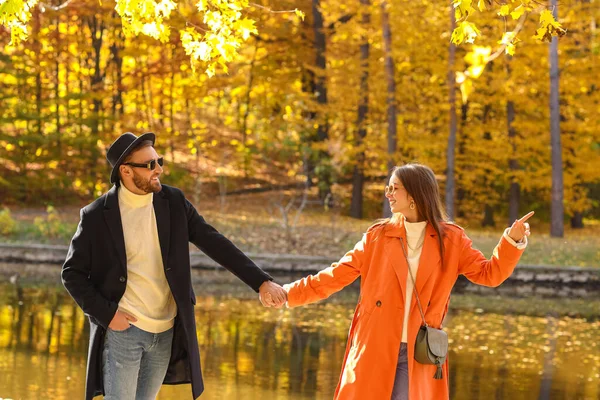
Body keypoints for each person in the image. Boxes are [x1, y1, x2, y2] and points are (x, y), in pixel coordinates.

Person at [277, 163, 533, 400]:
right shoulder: (378, 236)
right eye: (388, 187)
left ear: (414, 194)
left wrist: (511, 241)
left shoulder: (451, 240)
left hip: (419, 351)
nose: (388, 193)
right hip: (374, 345)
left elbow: (490, 274)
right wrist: (288, 294)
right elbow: (334, 276)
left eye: (394, 188)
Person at [61, 132, 287, 400]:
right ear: (125, 171)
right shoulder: (97, 215)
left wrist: (261, 281)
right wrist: (107, 315)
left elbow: (214, 242)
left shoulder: (174, 203)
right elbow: (72, 274)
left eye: (160, 161)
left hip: (166, 331)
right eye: (149, 165)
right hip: (123, 332)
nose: (158, 169)